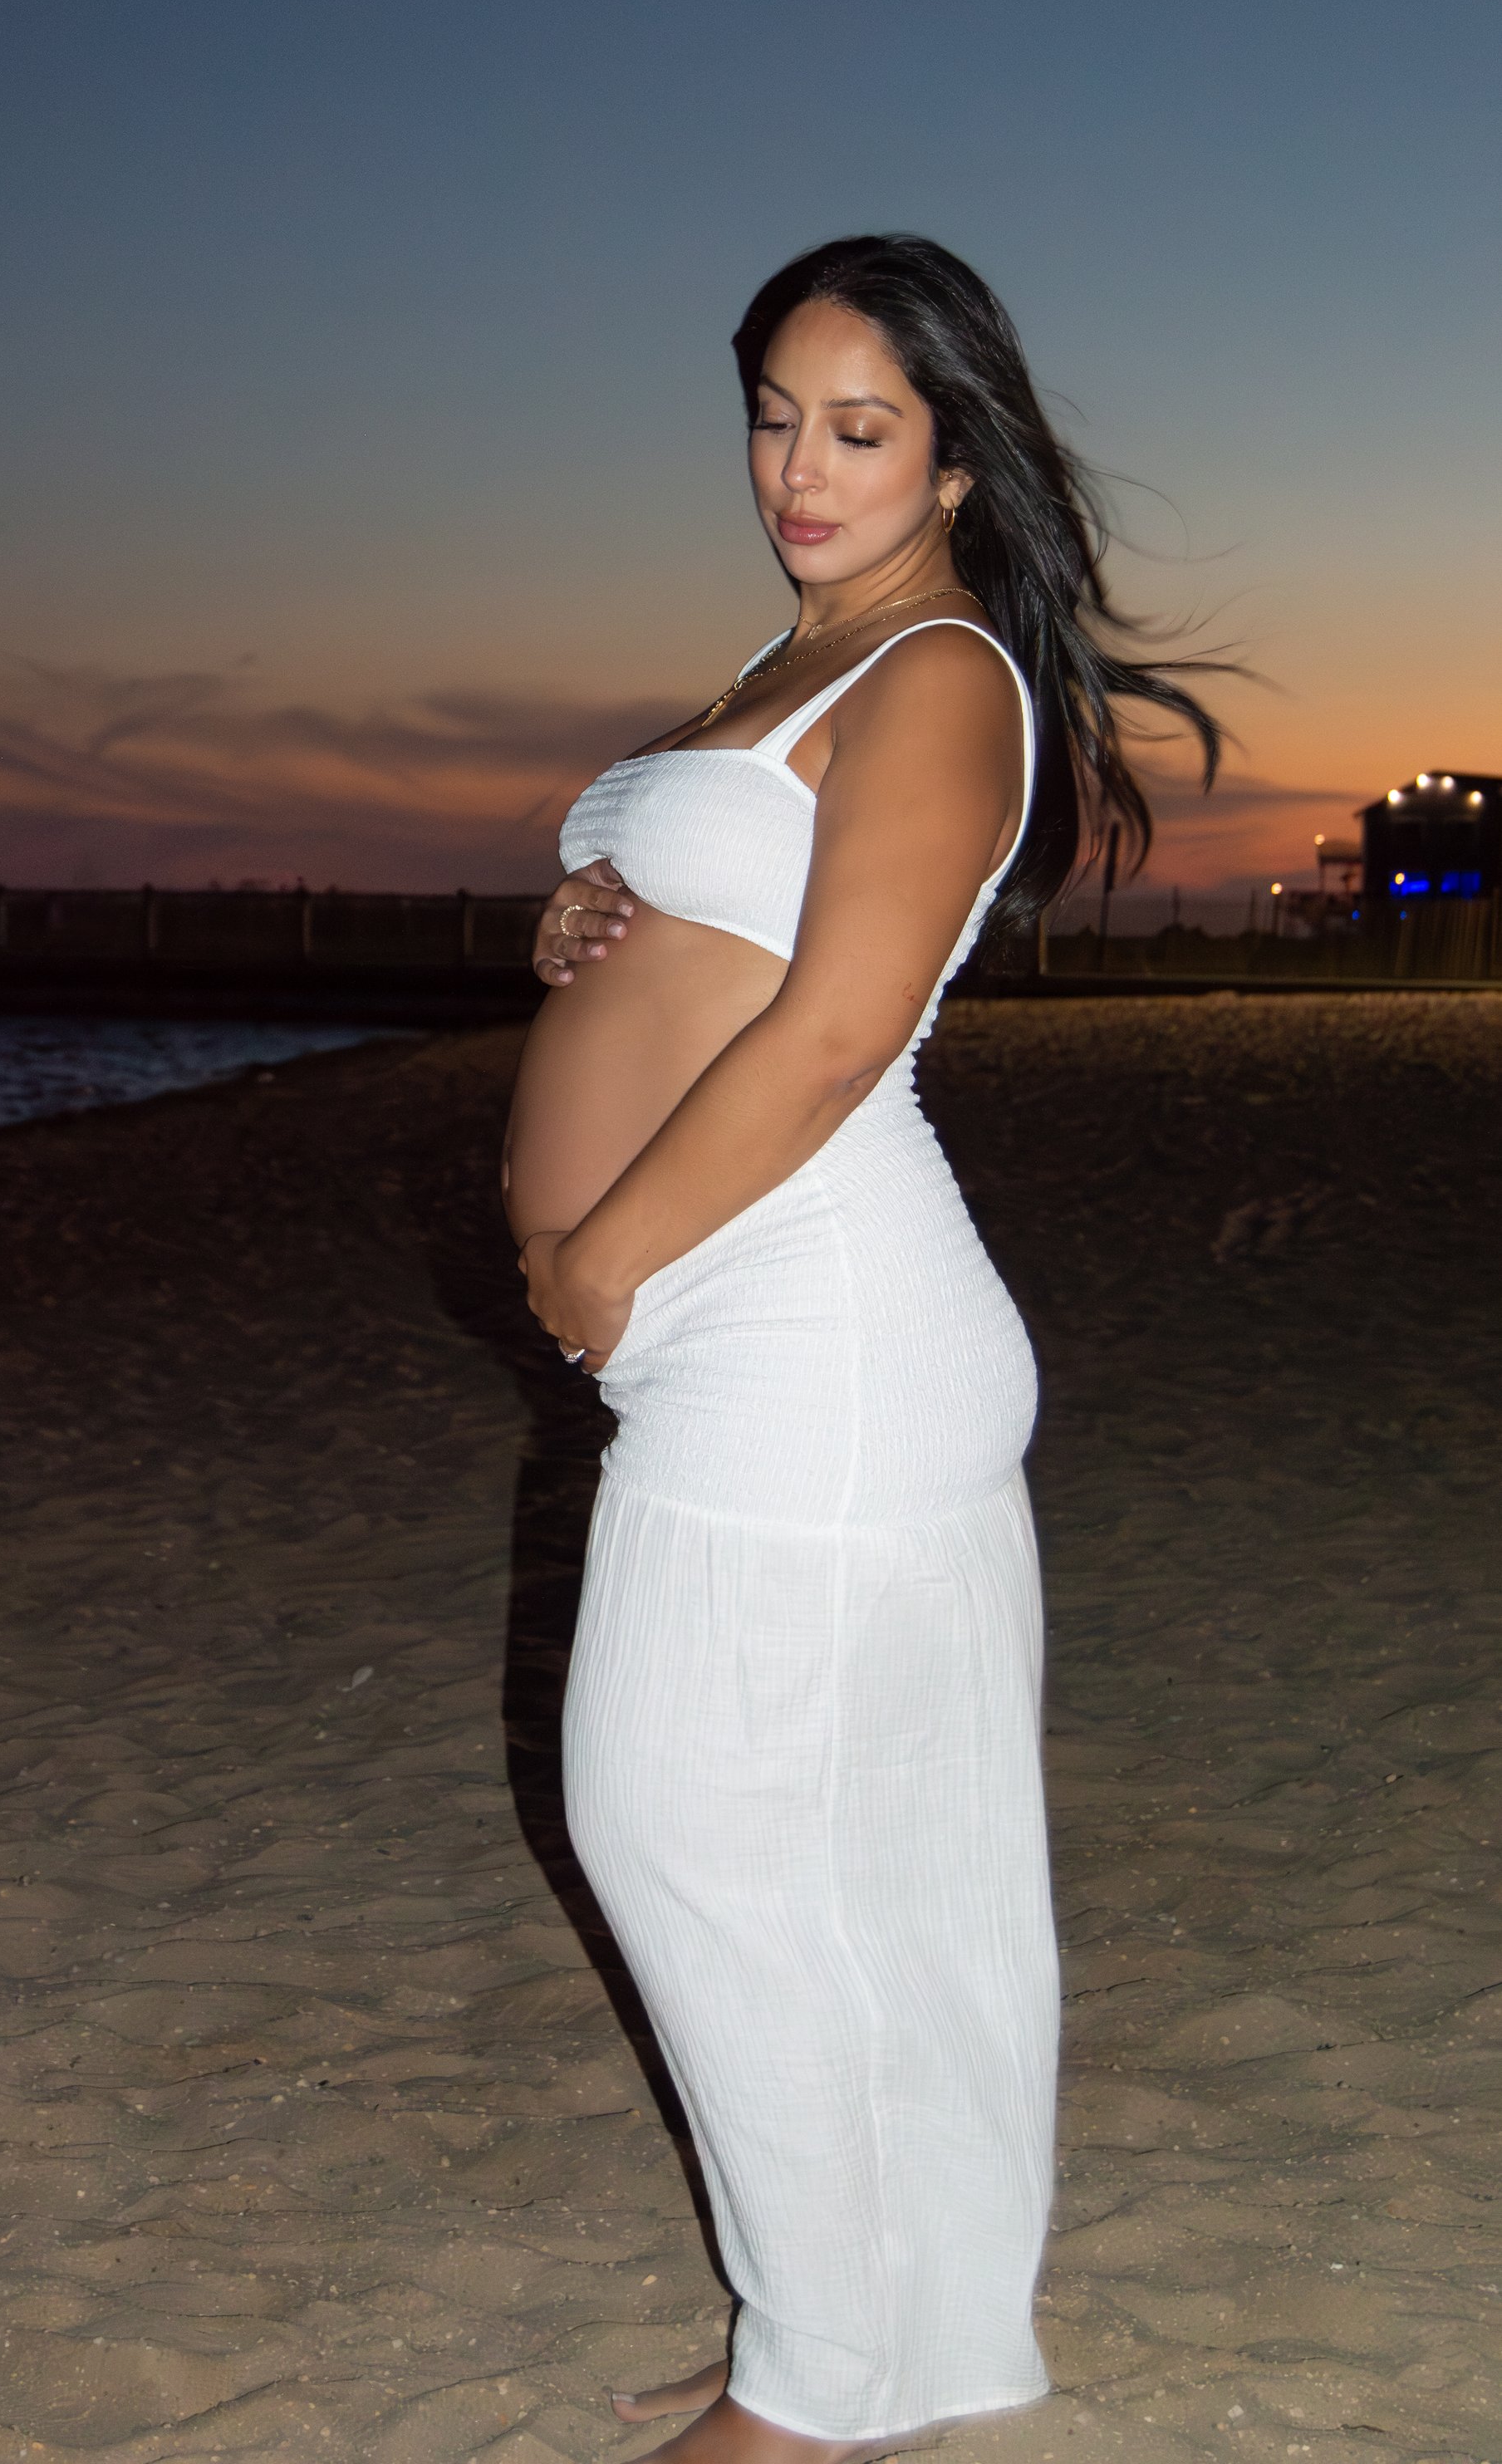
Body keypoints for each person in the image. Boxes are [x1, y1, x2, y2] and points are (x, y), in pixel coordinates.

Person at [503, 235, 1225, 2462]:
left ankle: (818, 2396)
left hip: (801, 1320)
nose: (794, 470)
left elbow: (836, 1028)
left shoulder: (937, 673)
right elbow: (725, 938)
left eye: (855, 427)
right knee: (823, 1865)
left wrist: (604, 1256)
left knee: (679, 1834)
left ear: (950, 451)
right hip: (742, 1318)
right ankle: (846, 2330)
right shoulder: (791, 655)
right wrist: (578, 912)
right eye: (768, 417)